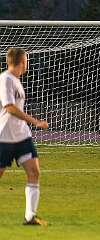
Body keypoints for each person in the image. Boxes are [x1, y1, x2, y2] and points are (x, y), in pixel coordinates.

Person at [0, 48, 49, 225]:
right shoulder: (5, 79)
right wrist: (35, 121)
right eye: (26, 59)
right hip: (5, 137)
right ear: (22, 61)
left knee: (34, 172)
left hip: (22, 137)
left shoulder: (16, 80)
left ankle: (30, 217)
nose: (27, 62)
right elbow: (9, 107)